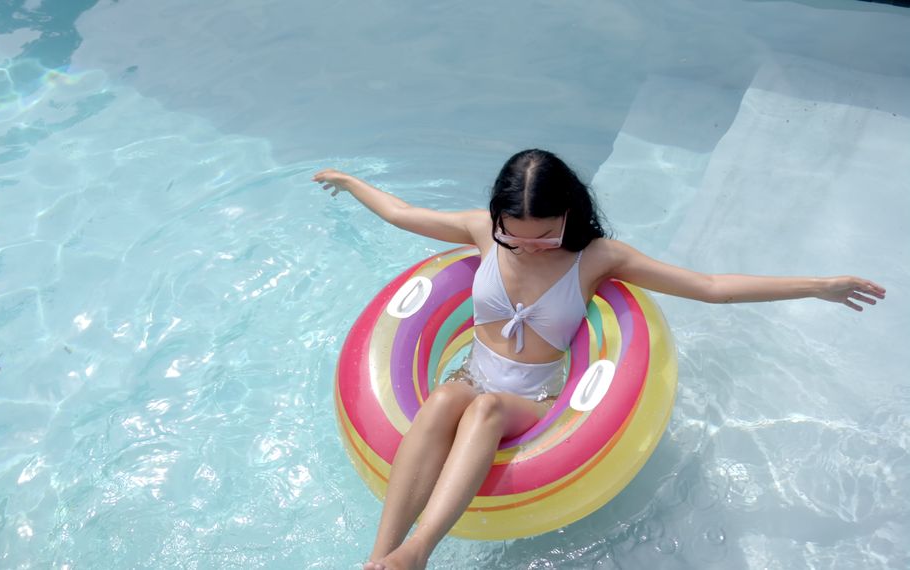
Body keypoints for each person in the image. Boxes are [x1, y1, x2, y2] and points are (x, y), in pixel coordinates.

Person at [312, 149, 885, 570]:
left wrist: (817, 285)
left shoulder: (596, 258)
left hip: (533, 401)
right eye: (517, 236)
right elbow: (400, 212)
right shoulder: (482, 232)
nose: (530, 245)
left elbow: (710, 286)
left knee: (484, 410)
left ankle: (418, 553)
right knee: (447, 397)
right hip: (472, 374)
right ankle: (379, 558)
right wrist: (350, 180)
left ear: (570, 213)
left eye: (544, 234)